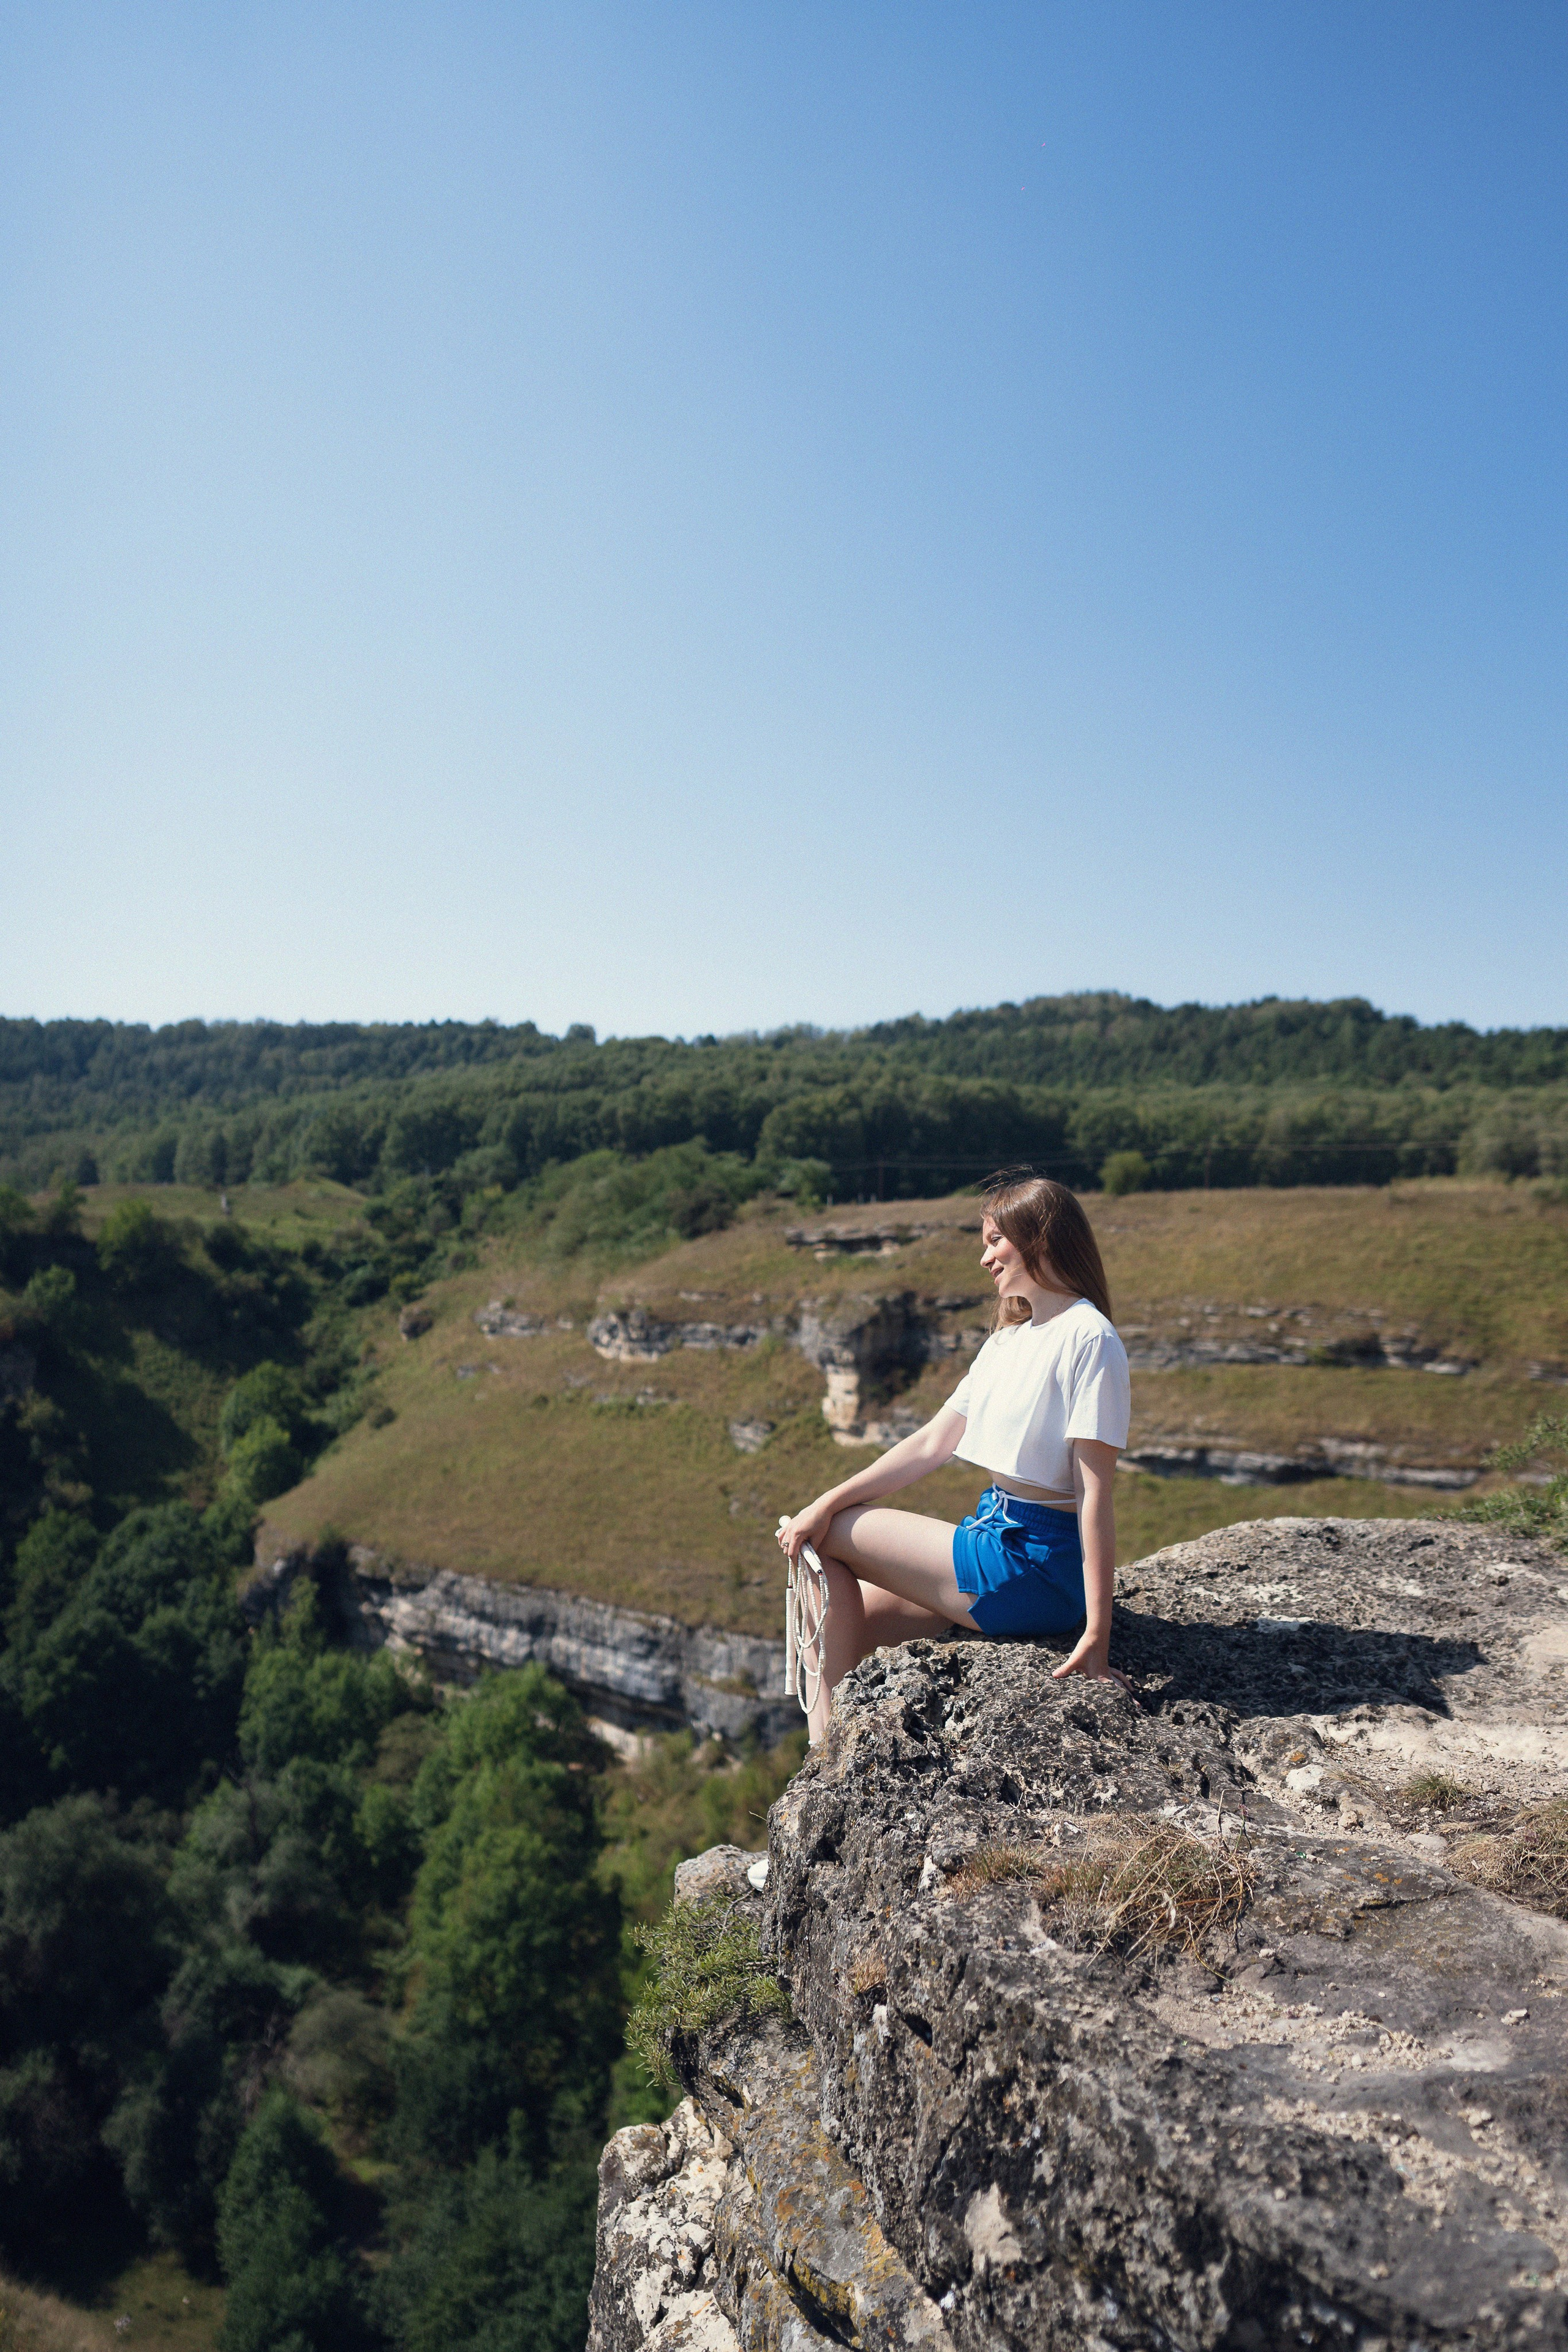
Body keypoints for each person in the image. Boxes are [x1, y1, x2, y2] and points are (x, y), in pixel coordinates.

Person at [776, 1170, 1133, 1745]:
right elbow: (929, 1445)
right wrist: (823, 1499)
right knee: (841, 1616)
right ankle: (826, 1742)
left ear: (1038, 1236)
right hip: (996, 1538)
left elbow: (1095, 1495)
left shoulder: (1089, 1339)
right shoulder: (1008, 1340)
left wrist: (1098, 1631)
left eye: (995, 1240)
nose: (985, 1258)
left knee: (826, 1537)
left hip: (1034, 1565)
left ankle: (825, 1754)